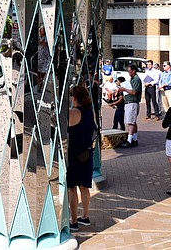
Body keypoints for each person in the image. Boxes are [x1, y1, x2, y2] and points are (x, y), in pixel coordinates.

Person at [67, 84, 95, 232]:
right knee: (85, 187)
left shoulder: (73, 113)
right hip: (87, 154)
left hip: (73, 155)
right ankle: (85, 216)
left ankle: (73, 221)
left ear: (75, 98)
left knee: (72, 188)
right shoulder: (90, 112)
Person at [117, 65, 142, 148]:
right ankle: (134, 139)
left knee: (130, 122)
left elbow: (134, 92)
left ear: (134, 71)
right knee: (133, 121)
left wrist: (124, 89)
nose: (128, 72)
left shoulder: (136, 79)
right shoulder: (132, 79)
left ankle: (129, 140)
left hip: (132, 102)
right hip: (129, 102)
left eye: (129, 71)